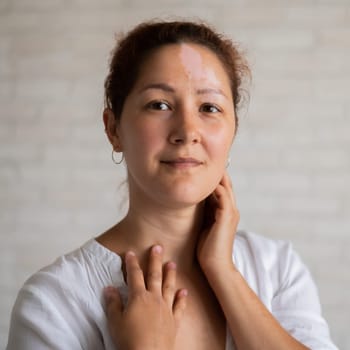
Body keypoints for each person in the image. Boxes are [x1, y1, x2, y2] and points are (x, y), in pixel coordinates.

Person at [7, 20, 338, 350]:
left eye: (209, 107)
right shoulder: (54, 301)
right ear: (113, 129)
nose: (187, 131)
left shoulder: (277, 268)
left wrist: (223, 271)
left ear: (232, 132)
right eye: (159, 105)